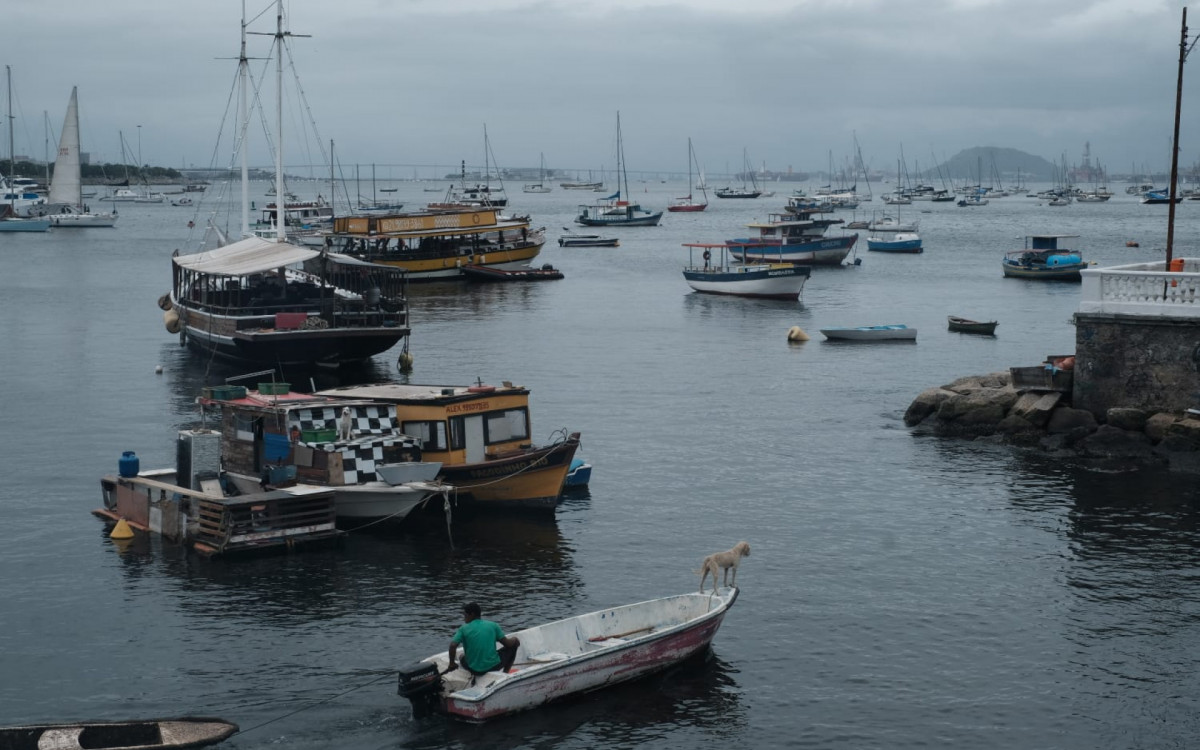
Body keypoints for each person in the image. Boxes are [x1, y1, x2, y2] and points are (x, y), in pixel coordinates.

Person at [448, 602, 520, 676]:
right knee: (514, 645)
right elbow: (508, 644)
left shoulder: (463, 629)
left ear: (472, 614)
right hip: (494, 666)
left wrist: (451, 664)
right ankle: (505, 673)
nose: (464, 618)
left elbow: (453, 645)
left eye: (465, 615)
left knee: (461, 656)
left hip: (473, 669)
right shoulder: (493, 625)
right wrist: (514, 639)